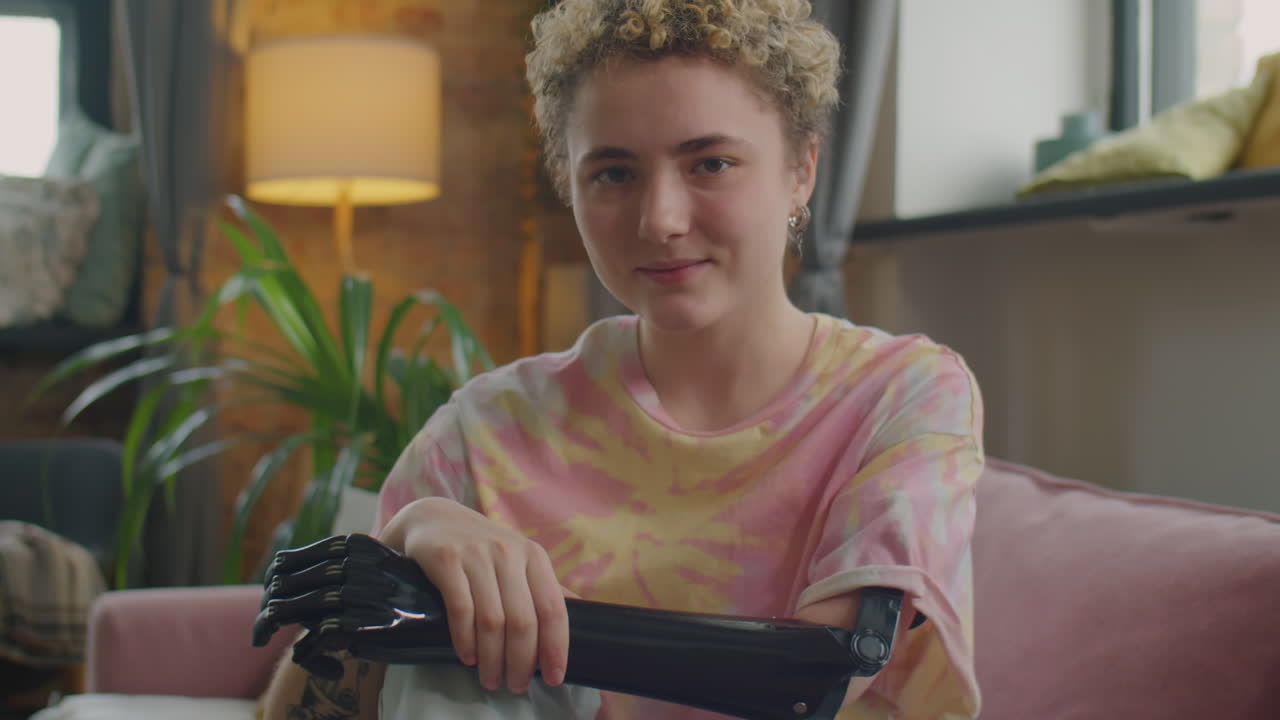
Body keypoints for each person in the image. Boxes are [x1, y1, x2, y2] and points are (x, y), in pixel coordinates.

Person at [258, 1, 985, 718]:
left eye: (711, 163)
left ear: (802, 171)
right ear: (568, 185)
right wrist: (403, 535)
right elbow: (304, 711)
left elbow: (813, 676)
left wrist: (489, 627)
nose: (660, 219)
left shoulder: (903, 395)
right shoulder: (488, 429)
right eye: (613, 173)